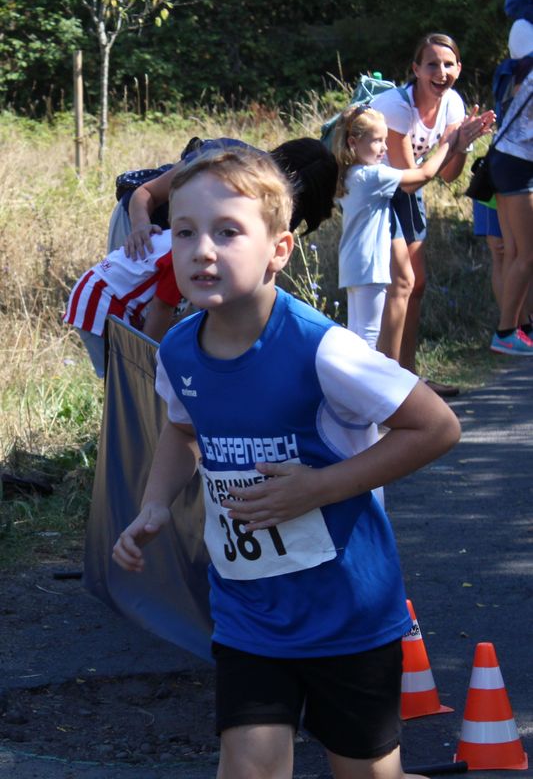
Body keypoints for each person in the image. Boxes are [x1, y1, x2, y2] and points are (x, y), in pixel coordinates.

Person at [112, 146, 461, 779]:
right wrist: (156, 503)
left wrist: (318, 487)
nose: (202, 251)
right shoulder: (179, 351)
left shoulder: (323, 349)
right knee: (248, 767)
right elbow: (183, 431)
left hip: (347, 611)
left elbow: (437, 426)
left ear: (279, 250)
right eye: (185, 232)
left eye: (228, 232)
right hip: (247, 613)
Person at [371, 33, 495, 394]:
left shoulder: (453, 103)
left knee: (418, 284)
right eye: (432, 65)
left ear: (458, 68)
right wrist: (449, 143)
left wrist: (463, 144)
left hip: (408, 185)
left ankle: (410, 377)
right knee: (401, 283)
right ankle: (387, 383)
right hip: (374, 191)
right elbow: (410, 179)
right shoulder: (396, 107)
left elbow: (449, 174)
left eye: (448, 64)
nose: (441, 72)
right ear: (416, 69)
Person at [332, 105, 480, 352]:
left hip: (352, 264)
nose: (384, 148)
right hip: (370, 266)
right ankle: (366, 378)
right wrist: (450, 142)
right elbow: (424, 174)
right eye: (377, 141)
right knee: (368, 339)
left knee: (357, 335)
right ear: (353, 142)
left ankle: (351, 376)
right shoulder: (373, 176)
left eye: (385, 140)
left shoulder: (348, 174)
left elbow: (421, 175)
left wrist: (455, 147)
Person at [119, 136, 338, 258]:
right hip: (141, 221)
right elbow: (146, 193)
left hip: (186, 241)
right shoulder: (218, 160)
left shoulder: (293, 205)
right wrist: (140, 227)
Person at [63, 230, 181, 378]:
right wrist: (144, 361)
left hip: (100, 294)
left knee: (130, 380)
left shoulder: (180, 238)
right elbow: (162, 307)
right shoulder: (181, 254)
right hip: (101, 301)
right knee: (127, 380)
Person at [488, 19, 533, 355]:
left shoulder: (521, 71)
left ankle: (515, 330)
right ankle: (506, 332)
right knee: (526, 254)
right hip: (519, 164)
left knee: (516, 251)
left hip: (504, 160)